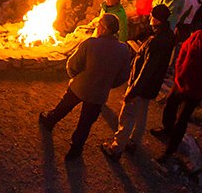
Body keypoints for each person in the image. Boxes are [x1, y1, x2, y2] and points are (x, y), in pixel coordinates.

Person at [39, 14, 133, 160]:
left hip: (80, 86)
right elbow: (124, 75)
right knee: (86, 122)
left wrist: (74, 76)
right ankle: (75, 149)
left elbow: (73, 64)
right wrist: (108, 84)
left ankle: (50, 121)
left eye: (99, 25)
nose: (97, 27)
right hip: (99, 93)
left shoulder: (91, 43)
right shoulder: (123, 50)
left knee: (64, 106)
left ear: (103, 28)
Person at [102, 5, 176, 158]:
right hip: (152, 86)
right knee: (141, 114)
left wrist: (133, 90)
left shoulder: (156, 41)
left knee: (127, 114)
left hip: (142, 85)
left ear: (157, 20)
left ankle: (116, 148)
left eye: (152, 17)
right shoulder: (168, 35)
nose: (150, 18)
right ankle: (133, 142)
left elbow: (147, 69)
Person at [152, 20, 202, 160]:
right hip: (180, 82)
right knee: (170, 104)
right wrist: (179, 72)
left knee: (182, 119)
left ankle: (170, 150)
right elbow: (183, 51)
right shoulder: (196, 36)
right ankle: (167, 129)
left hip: (195, 91)